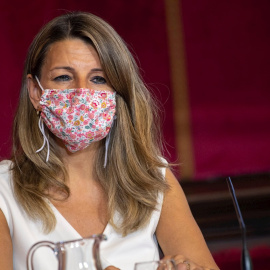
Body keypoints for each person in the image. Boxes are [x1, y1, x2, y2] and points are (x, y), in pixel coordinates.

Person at [0, 12, 219, 270]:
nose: (82, 92)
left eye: (98, 79)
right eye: (63, 77)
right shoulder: (5, 190)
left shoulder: (152, 180)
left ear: (118, 91)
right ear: (36, 93)